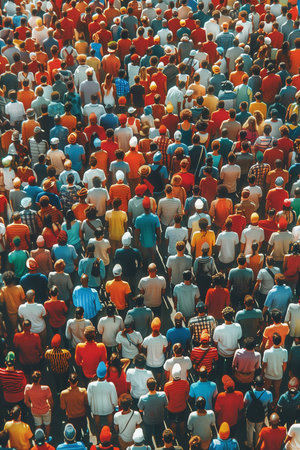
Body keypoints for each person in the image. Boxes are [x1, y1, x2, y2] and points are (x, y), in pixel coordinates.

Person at [87, 361, 118, 433]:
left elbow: (89, 399)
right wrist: (115, 405)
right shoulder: (111, 385)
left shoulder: (91, 385)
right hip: (108, 408)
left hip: (96, 408)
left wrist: (91, 405)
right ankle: (109, 429)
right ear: (105, 374)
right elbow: (114, 400)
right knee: (110, 415)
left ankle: (98, 429)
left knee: (96, 417)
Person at [138, 377, 168, 447]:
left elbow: (140, 410)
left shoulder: (142, 398)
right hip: (159, 420)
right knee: (159, 437)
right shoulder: (163, 395)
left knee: (148, 438)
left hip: (148, 421)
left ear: (147, 386)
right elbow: (166, 405)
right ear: (156, 386)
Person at [60, 373, 88, 442]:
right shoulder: (83, 391)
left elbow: (62, 407)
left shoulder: (63, 393)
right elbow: (86, 403)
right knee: (85, 430)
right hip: (82, 416)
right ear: (77, 382)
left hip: (71, 418)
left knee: (77, 435)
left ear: (69, 381)